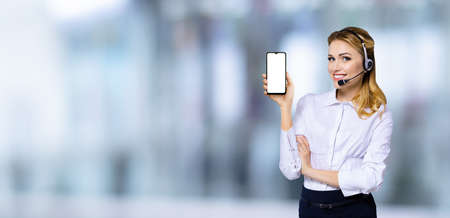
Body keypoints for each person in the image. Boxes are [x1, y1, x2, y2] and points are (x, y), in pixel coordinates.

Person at [261, 26, 393, 218]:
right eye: (331, 58)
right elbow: (291, 169)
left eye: (345, 58)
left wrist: (309, 170)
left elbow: (371, 178)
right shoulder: (308, 104)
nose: (335, 67)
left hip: (354, 209)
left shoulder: (378, 114)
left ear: (367, 64)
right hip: (310, 208)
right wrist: (285, 108)